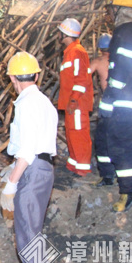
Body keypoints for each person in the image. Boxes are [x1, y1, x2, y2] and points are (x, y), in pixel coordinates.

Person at [0, 52, 57, 263]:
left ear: (13, 79)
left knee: (29, 233)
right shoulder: (44, 102)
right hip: (43, 170)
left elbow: (28, 149)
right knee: (31, 226)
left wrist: (12, 183)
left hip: (32, 171)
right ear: (36, 76)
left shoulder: (27, 103)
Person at [97, 0, 132, 212]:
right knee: (121, 142)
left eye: (111, 9)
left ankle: (130, 191)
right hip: (131, 98)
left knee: (121, 144)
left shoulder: (126, 32)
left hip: (125, 100)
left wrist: (109, 98)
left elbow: (122, 70)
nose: (109, 14)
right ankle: (126, 185)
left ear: (119, 10)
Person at [57, 18, 94, 176]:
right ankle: (73, 164)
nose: (58, 35)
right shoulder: (70, 52)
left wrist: (74, 100)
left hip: (77, 104)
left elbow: (81, 79)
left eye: (60, 32)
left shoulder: (77, 52)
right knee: (72, 133)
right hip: (71, 103)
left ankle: (82, 169)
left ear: (65, 34)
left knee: (79, 134)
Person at [90, 33, 113, 184]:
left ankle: (107, 175)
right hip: (124, 103)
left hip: (109, 101)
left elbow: (83, 75)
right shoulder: (121, 60)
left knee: (102, 138)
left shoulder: (98, 61)